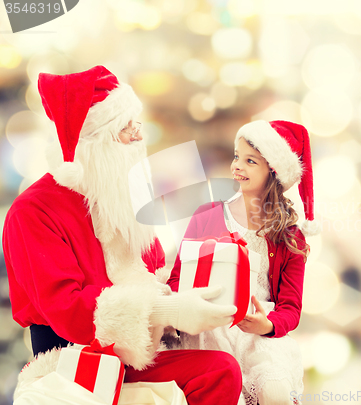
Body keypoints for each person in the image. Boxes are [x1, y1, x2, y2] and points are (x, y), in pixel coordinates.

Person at [2, 65, 242, 405]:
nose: (139, 137)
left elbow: (156, 273)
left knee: (224, 367)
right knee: (219, 371)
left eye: (136, 124)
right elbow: (68, 310)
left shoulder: (121, 199)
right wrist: (167, 311)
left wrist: (212, 294)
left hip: (136, 355)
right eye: (125, 128)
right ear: (93, 142)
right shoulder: (34, 211)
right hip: (73, 363)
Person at [168, 120, 321, 405]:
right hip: (208, 330)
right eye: (237, 156)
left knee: (275, 393)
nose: (237, 166)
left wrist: (266, 325)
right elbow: (177, 278)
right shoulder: (208, 215)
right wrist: (186, 304)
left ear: (273, 171)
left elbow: (290, 308)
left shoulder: (290, 237)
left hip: (257, 335)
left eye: (250, 161)